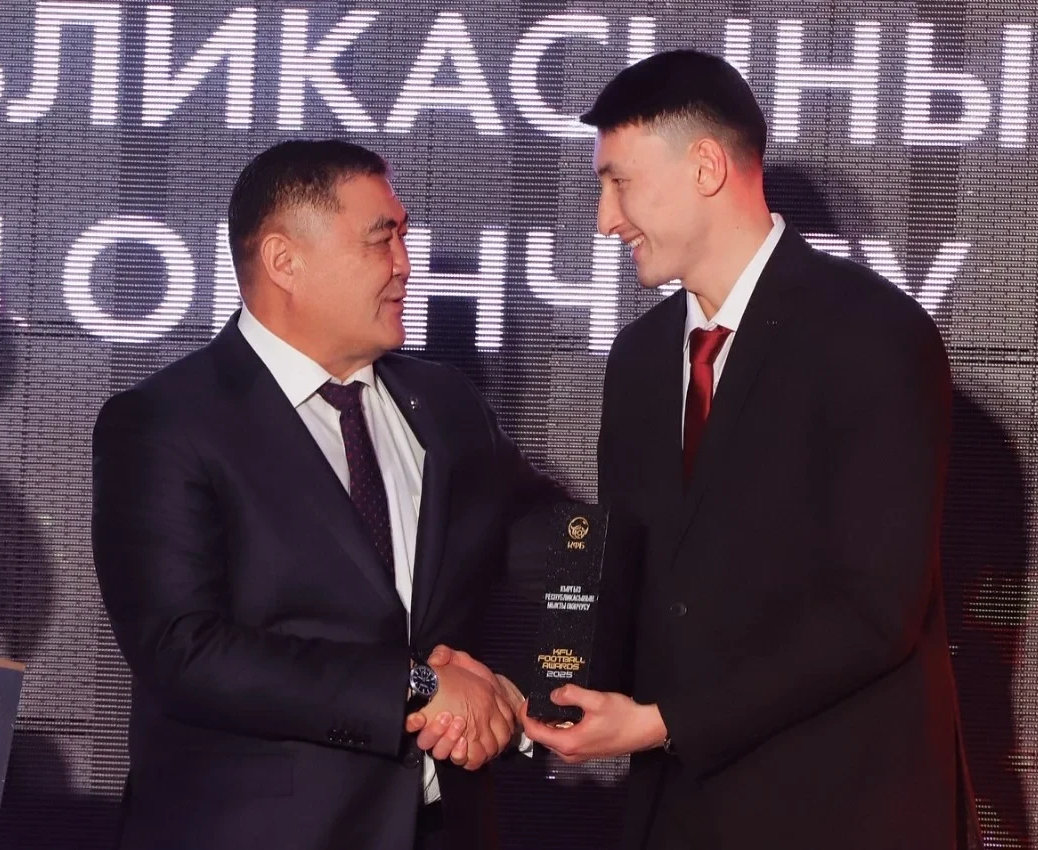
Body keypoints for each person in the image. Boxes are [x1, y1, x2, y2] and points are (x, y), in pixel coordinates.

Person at [518, 50, 979, 850]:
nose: (604, 220)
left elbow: (876, 613)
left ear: (705, 167)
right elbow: (633, 582)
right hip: (680, 813)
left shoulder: (873, 335)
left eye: (619, 182)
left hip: (843, 815)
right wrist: (532, 696)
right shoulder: (638, 358)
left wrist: (666, 722)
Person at [91, 139, 561, 850]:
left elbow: (543, 560)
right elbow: (183, 651)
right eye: (381, 238)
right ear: (285, 261)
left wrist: (512, 693)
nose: (405, 263)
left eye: (403, 235)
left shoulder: (446, 404)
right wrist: (418, 688)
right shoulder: (165, 422)